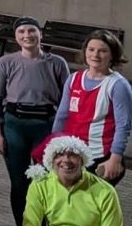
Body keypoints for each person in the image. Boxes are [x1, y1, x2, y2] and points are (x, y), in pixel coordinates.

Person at [0, 15, 68, 226]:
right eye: (21, 32)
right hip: (15, 125)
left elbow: (66, 100)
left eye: (31, 31)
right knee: (19, 183)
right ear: (16, 37)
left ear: (40, 34)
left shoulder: (57, 63)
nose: (27, 35)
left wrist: (62, 133)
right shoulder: (6, 62)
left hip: (46, 125)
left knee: (46, 182)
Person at [51, 29, 130, 185]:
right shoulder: (73, 79)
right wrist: (53, 148)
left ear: (112, 55)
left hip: (100, 155)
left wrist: (115, 159)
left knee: (89, 200)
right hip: (72, 154)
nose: (95, 55)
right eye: (91, 49)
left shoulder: (118, 85)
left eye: (102, 51)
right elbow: (61, 116)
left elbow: (124, 126)